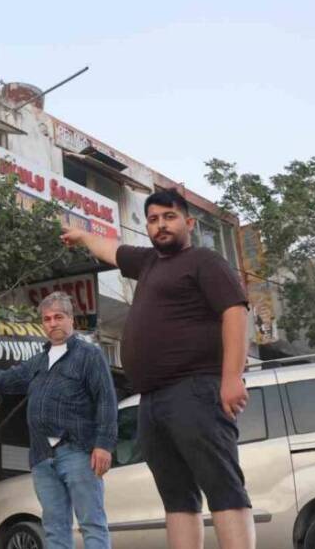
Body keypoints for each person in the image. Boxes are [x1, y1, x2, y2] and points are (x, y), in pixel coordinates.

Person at [61, 188, 255, 549]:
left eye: (169, 217)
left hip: (196, 389)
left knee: (222, 486)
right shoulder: (149, 263)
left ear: (189, 222)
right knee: (177, 497)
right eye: (153, 220)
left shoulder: (204, 261)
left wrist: (231, 377)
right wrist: (84, 235)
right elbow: (111, 250)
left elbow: (235, 312)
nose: (161, 225)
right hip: (152, 400)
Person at [0, 292, 117, 549]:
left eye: (58, 317)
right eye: (47, 319)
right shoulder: (38, 361)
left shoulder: (89, 355)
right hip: (42, 457)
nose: (52, 323)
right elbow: (4, 380)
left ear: (71, 319)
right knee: (53, 527)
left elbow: (106, 400)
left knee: (91, 523)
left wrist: (103, 444)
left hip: (78, 452)